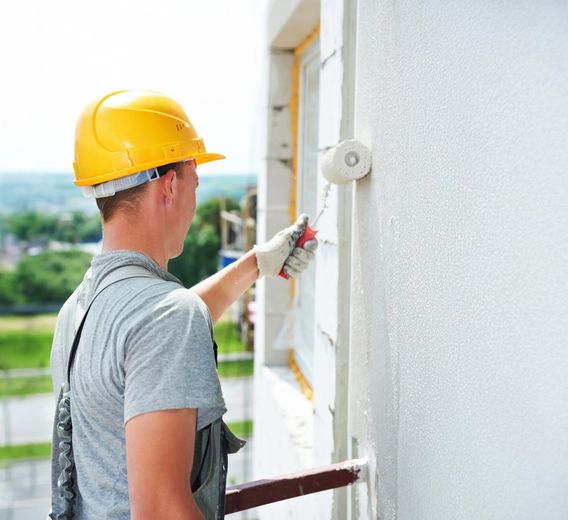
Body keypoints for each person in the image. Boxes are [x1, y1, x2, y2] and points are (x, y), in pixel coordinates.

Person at [48, 90, 318, 519]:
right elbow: (161, 511)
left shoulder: (77, 310)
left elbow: (152, 340)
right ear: (170, 185)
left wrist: (256, 264)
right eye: (195, 182)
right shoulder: (166, 319)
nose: (194, 199)